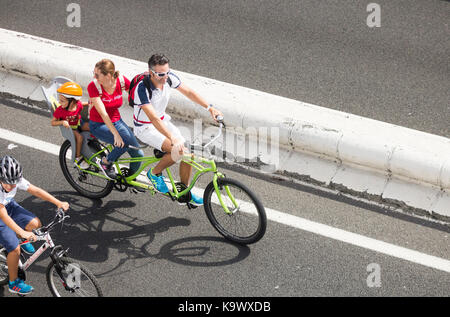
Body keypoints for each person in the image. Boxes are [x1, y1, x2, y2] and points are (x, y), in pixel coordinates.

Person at [132, 54, 222, 206]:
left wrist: (210, 108)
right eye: (161, 74)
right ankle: (153, 174)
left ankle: (184, 192)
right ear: (151, 72)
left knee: (189, 156)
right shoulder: (142, 89)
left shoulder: (169, 78)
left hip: (162, 122)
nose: (165, 77)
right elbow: (153, 118)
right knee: (178, 151)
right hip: (146, 127)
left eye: (167, 72)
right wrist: (171, 138)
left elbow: (189, 92)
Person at [0, 156, 69, 295]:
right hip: (1, 214)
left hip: (8, 205)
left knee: (35, 223)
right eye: (9, 183)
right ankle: (14, 283)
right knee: (15, 250)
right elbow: (4, 216)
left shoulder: (15, 179)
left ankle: (21, 238)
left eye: (15, 182)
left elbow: (35, 190)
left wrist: (58, 202)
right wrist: (22, 232)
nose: (13, 186)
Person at [88, 59, 144, 179]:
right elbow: (103, 114)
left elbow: (137, 99)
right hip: (98, 124)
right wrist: (116, 135)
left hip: (117, 121)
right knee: (122, 143)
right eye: (94, 73)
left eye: (97, 74)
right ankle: (106, 162)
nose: (94, 76)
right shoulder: (94, 86)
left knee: (138, 153)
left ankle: (130, 179)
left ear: (108, 75)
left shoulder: (121, 81)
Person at [51, 81, 90, 169]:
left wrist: (90, 102)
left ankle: (96, 146)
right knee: (79, 137)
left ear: (72, 101)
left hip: (79, 123)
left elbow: (82, 104)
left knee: (92, 126)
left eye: (62, 101)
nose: (60, 103)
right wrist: (62, 122)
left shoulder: (77, 105)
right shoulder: (60, 110)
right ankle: (77, 157)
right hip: (72, 128)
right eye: (60, 100)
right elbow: (53, 122)